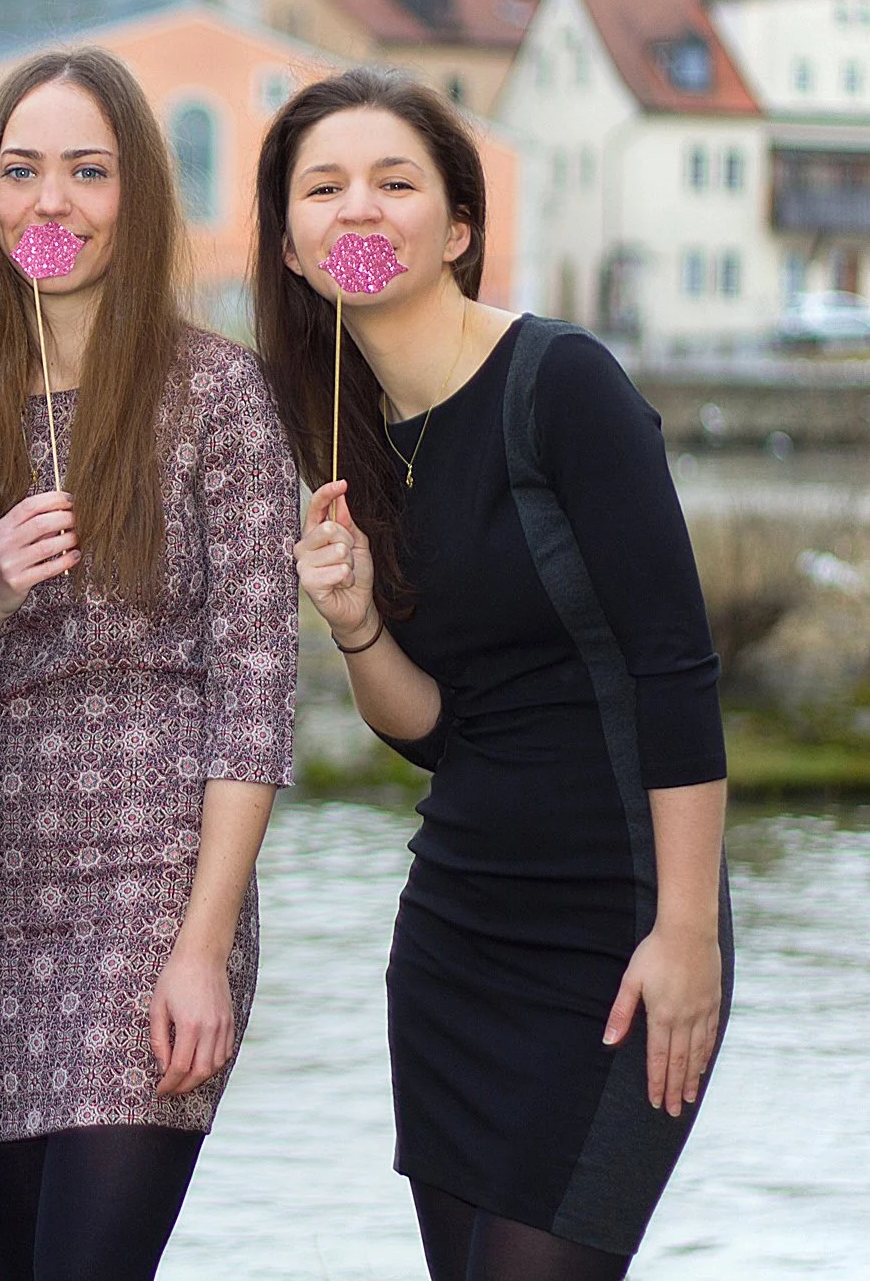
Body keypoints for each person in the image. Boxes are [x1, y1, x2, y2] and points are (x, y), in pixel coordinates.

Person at [252, 67, 730, 1281]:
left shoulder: (561, 382)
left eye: (392, 181)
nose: (358, 208)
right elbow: (432, 731)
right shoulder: (347, 436)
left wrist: (685, 931)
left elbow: (675, 665)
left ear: (456, 226)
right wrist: (356, 620)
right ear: (294, 247)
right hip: (459, 931)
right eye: (324, 187)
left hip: (619, 923)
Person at [0, 47, 299, 1281]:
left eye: (88, 171)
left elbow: (255, 695)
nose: (52, 202)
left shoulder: (217, 396)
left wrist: (200, 945)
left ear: (137, 195)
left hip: (152, 894)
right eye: (22, 170)